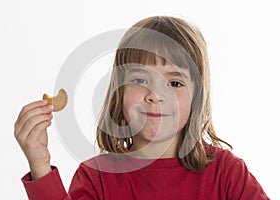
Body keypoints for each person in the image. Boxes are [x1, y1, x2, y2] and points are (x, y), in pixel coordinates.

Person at [14, 16, 270, 199]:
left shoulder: (226, 173)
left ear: (197, 96)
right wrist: (40, 165)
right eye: (139, 79)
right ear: (119, 90)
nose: (155, 95)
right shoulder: (97, 177)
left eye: (174, 82)